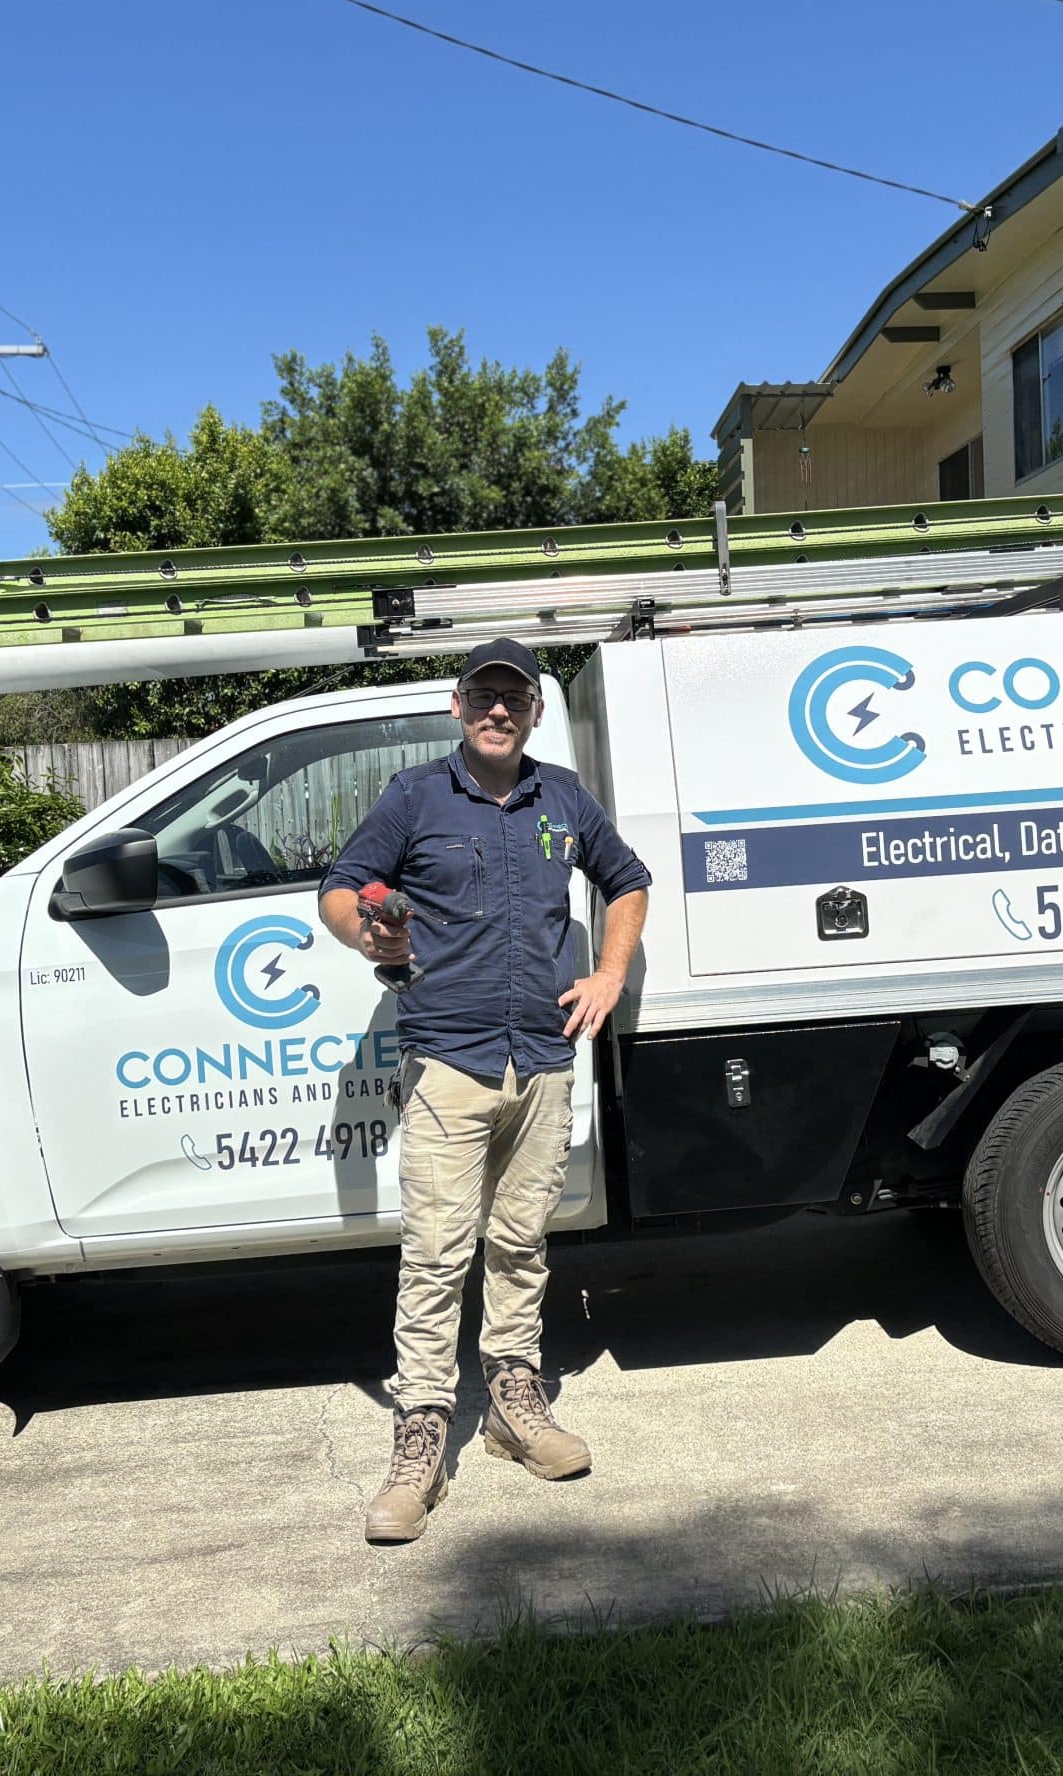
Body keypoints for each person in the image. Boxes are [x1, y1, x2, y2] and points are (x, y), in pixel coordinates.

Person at [319, 636, 651, 1544]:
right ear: (457, 705)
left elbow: (628, 882)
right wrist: (369, 937)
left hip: (542, 1059)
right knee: (435, 1253)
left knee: (519, 1240)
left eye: (516, 697)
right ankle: (422, 1432)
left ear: (536, 712)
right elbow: (343, 890)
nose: (499, 709)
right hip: (449, 1062)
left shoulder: (564, 799)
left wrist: (609, 975)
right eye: (484, 695)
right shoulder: (416, 795)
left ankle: (514, 1402)